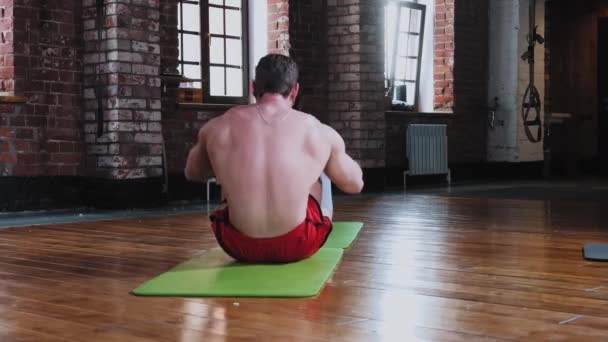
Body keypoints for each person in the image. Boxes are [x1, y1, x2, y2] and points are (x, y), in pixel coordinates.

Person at [185, 54, 363, 263]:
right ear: (295, 90)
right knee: (319, 178)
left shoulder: (217, 126)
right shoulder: (318, 130)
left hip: (236, 244)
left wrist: (227, 164)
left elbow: (193, 173)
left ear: (253, 87)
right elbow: (354, 185)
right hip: (300, 243)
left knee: (231, 178)